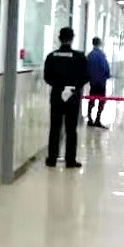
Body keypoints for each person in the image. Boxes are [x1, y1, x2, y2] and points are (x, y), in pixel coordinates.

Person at [44, 27, 89, 169]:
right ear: (72, 39)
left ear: (59, 38)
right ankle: (70, 160)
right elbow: (86, 77)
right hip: (73, 96)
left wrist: (59, 86)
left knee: (55, 127)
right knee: (71, 128)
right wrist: (73, 87)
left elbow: (47, 77)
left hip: (56, 95)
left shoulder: (52, 56)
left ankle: (52, 159)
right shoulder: (79, 57)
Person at [87, 36, 111, 128]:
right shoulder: (102, 55)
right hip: (101, 83)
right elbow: (106, 68)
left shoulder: (90, 55)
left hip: (93, 83)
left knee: (91, 101)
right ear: (100, 43)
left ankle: (90, 119)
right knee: (101, 102)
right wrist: (107, 76)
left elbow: (87, 68)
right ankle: (97, 120)